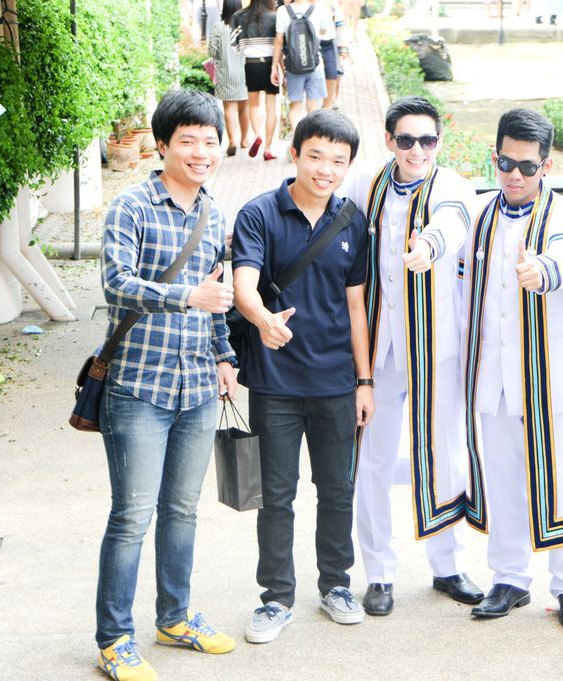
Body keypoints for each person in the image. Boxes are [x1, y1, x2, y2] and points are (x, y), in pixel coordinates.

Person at [95, 88, 237, 681]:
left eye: (210, 141)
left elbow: (218, 297)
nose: (201, 152)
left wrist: (224, 355)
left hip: (198, 386)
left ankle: (174, 619)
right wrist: (186, 296)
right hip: (138, 387)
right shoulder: (130, 207)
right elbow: (116, 283)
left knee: (182, 510)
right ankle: (114, 640)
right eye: (188, 142)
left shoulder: (214, 212)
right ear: (162, 145)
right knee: (132, 516)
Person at [463, 109, 563, 630]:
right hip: (494, 377)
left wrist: (542, 270)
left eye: (527, 166)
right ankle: (509, 578)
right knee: (504, 479)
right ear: (495, 157)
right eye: (506, 163)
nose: (515, 174)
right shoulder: (478, 213)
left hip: (551, 376)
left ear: (546, 166)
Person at [231, 109, 375, 643]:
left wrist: (364, 382)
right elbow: (244, 284)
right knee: (275, 494)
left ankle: (336, 585)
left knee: (337, 489)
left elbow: (357, 307)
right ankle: (275, 598)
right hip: (275, 382)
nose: (325, 169)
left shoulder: (352, 221)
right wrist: (262, 320)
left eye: (338, 161)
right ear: (295, 154)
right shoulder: (259, 214)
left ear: (348, 165)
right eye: (315, 156)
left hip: (336, 381)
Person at [338, 96, 483, 616]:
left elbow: (452, 222)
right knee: (373, 461)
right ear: (389, 141)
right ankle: (378, 572)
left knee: (444, 455)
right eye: (406, 140)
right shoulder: (366, 184)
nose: (417, 150)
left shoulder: (453, 187)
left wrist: (430, 248)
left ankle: (448, 565)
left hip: (436, 347)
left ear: (439, 142)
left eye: (427, 140)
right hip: (378, 352)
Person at [272, 0, 332, 135]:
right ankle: (311, 138)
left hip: (293, 66)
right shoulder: (318, 9)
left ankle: (298, 139)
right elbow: (323, 31)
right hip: (315, 65)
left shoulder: (283, 11)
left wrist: (274, 66)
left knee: (295, 108)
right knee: (313, 107)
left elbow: (279, 40)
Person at [233, 0, 280, 161]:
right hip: (270, 64)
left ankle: (258, 135)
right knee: (271, 108)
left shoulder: (239, 16)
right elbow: (280, 43)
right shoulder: (275, 16)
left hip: (251, 65)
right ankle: (267, 149)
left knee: (253, 105)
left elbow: (235, 45)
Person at [210, 0, 251, 156]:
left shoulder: (218, 27)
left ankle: (232, 140)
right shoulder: (246, 25)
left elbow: (212, 51)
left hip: (226, 72)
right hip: (246, 71)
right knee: (244, 107)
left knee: (229, 108)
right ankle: (244, 140)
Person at [316, 0, 350, 110]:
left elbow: (340, 26)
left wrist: (344, 48)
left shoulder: (331, 3)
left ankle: (326, 107)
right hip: (310, 44)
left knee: (332, 76)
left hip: (328, 43)